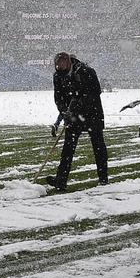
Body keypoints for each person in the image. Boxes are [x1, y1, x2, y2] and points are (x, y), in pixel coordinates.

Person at [44, 51, 109, 190]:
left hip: (92, 114)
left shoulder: (86, 71)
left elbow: (95, 92)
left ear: (68, 62)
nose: (59, 69)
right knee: (68, 148)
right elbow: (58, 98)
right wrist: (64, 112)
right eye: (57, 66)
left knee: (98, 146)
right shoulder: (58, 76)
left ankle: (103, 178)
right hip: (73, 117)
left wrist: (79, 102)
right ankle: (61, 181)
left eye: (61, 65)